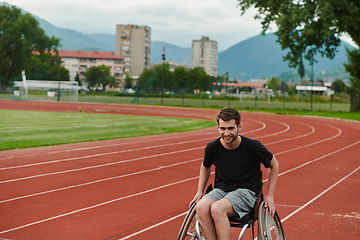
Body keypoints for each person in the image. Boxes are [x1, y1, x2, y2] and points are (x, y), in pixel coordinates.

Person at [189, 107, 279, 240]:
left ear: (239, 126)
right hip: (222, 190)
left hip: (247, 191)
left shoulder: (253, 147)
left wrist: (270, 196)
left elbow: (274, 164)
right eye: (223, 128)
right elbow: (205, 165)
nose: (226, 133)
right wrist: (199, 191)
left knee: (217, 208)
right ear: (218, 127)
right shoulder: (212, 147)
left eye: (231, 128)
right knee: (201, 207)